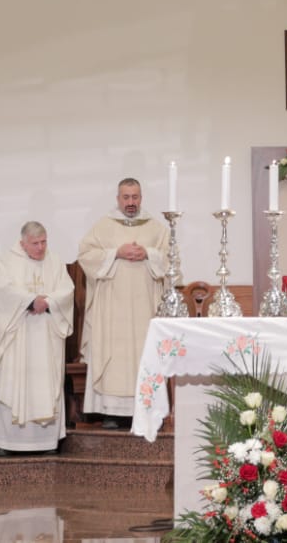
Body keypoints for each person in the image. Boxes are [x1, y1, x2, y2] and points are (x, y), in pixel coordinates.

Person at [78, 178, 169, 430]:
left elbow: (171, 258)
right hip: (112, 309)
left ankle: (147, 406)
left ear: (141, 198)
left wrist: (149, 254)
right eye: (126, 197)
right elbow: (85, 255)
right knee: (114, 355)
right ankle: (112, 412)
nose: (131, 202)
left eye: (135, 197)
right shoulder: (103, 226)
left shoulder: (155, 227)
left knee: (143, 353)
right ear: (118, 199)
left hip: (144, 308)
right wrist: (115, 253)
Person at [0, 221, 75, 455]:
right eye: (35, 243)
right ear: (23, 243)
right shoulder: (7, 261)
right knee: (12, 384)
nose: (41, 248)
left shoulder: (54, 261)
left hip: (45, 337)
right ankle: (6, 442)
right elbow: (3, 291)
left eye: (44, 242)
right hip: (18, 337)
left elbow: (67, 289)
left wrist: (49, 302)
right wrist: (30, 300)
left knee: (44, 385)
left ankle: (45, 442)